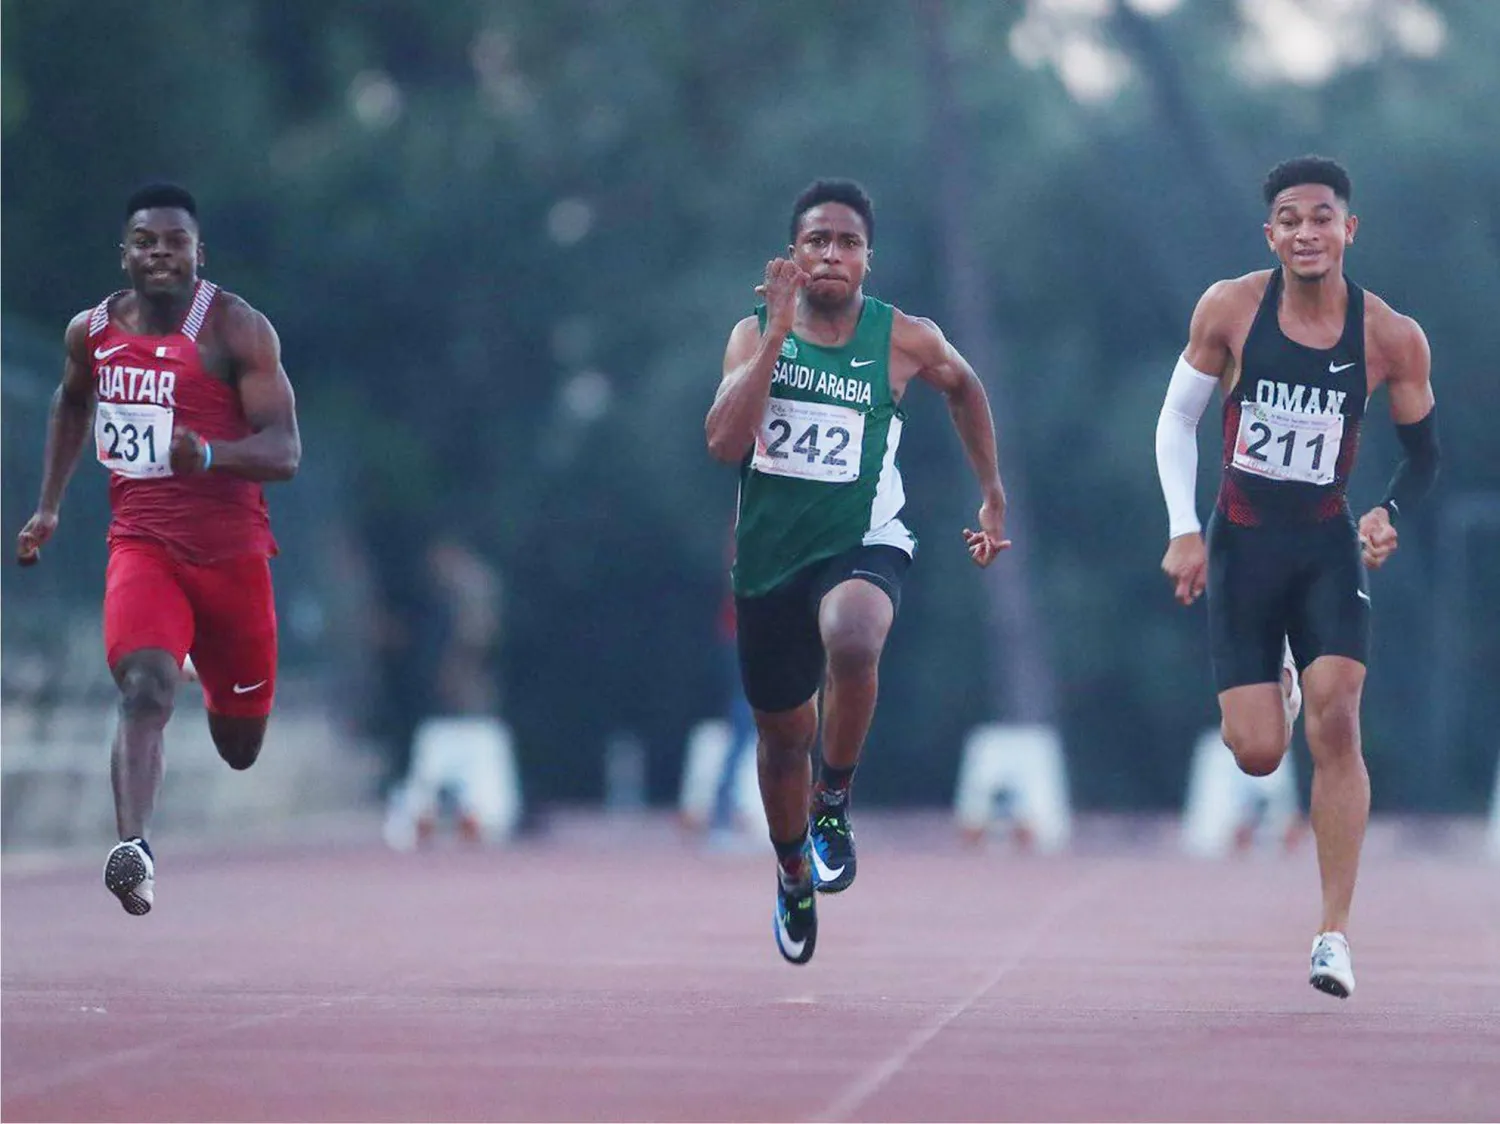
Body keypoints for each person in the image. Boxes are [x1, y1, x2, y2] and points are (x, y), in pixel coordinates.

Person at [705, 179, 1010, 965]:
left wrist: (991, 493)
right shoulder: (752, 336)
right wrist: (776, 338)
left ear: (868, 258)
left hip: (863, 539)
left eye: (846, 242)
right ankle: (791, 871)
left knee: (854, 636)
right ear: (794, 257)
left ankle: (833, 799)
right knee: (780, 740)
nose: (832, 254)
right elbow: (723, 444)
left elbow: (965, 387)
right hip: (771, 557)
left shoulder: (903, 338)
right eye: (817, 242)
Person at [1155, 156, 1439, 998]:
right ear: (1270, 234)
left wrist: (1388, 512)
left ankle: (1333, 934)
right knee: (1255, 754)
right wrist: (1181, 530)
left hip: (1324, 545)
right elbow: (1178, 419)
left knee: (1339, 721)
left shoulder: (1391, 336)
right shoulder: (1231, 309)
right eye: (1290, 219)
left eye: (1322, 218)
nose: (1306, 232)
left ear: (1349, 231)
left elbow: (1423, 455)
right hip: (1241, 548)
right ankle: (1272, 685)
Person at [15, 183, 301, 915]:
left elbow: (285, 449)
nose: (160, 254)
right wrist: (48, 504)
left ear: (199, 253)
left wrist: (208, 455)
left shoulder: (237, 331)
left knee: (240, 746)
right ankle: (133, 849)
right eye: (146, 241)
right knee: (144, 687)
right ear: (126, 253)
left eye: (175, 242)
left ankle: (220, 679)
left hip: (233, 558)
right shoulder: (93, 332)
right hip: (143, 546)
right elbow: (72, 400)